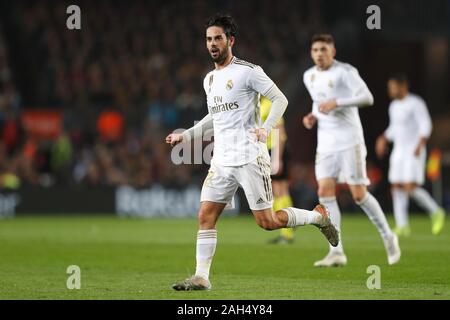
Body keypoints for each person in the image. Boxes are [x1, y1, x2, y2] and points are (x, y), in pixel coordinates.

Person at [165, 14, 339, 291]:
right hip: (221, 160)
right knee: (205, 216)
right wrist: (185, 135)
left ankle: (318, 217)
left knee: (267, 222)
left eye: (218, 38)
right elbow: (214, 118)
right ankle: (201, 276)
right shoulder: (209, 80)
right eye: (209, 39)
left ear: (230, 41)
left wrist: (267, 128)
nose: (212, 44)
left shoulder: (249, 72)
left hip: (249, 157)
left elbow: (280, 98)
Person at [302, 34, 401, 267]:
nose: (319, 53)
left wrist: (338, 102)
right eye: (315, 49)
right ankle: (336, 251)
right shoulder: (309, 76)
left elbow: (368, 98)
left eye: (324, 49)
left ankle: (388, 235)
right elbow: (318, 102)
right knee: (325, 193)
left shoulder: (345, 71)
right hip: (326, 142)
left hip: (349, 140)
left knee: (358, 194)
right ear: (311, 53)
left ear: (333, 52)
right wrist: (312, 116)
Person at [375, 74, 445, 237]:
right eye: (389, 87)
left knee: (410, 187)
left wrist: (421, 143)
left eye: (393, 87)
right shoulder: (393, 106)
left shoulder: (416, 103)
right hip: (398, 150)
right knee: (396, 186)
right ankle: (402, 225)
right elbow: (394, 128)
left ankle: (436, 212)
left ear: (403, 86)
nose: (390, 90)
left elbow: (425, 123)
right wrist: (383, 138)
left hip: (413, 149)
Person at [260, 96, 296, 244]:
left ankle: (287, 231)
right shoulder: (260, 103)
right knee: (277, 191)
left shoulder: (270, 103)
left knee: (280, 190)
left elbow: (279, 132)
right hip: (267, 150)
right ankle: (286, 228)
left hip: (275, 150)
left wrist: (277, 158)